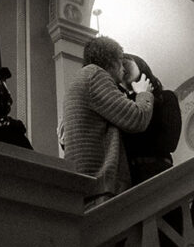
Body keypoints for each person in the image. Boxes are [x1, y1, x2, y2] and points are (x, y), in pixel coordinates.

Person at [61, 36, 154, 206]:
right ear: (112, 60)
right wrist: (143, 93)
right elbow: (137, 119)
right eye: (121, 61)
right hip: (100, 185)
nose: (123, 70)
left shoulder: (81, 79)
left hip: (86, 184)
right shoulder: (96, 76)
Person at [120, 54, 175, 184]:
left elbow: (170, 143)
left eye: (126, 63)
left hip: (160, 171)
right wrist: (136, 97)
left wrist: (143, 96)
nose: (123, 68)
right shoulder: (123, 105)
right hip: (132, 177)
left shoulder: (167, 98)